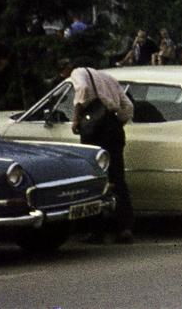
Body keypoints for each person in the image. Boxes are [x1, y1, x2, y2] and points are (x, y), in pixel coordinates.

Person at [62, 60, 134, 244]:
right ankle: (124, 227)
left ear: (65, 70)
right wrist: (117, 123)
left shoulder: (78, 72)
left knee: (96, 178)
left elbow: (83, 89)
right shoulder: (108, 77)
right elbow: (128, 107)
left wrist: (76, 118)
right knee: (117, 178)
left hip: (95, 132)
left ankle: (97, 230)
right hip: (114, 129)